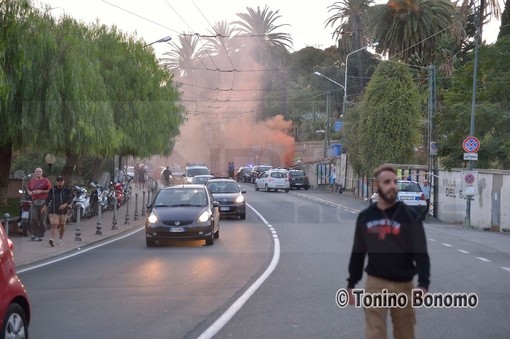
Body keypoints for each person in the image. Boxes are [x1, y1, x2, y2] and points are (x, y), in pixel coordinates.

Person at [347, 164, 430, 339]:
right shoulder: (366, 217)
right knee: (375, 333)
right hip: (375, 283)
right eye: (387, 182)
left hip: (403, 285)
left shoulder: (409, 216)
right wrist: (351, 284)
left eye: (394, 182)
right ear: (376, 186)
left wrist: (423, 284)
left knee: (405, 333)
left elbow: (421, 252)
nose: (392, 185)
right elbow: (358, 253)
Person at [41, 176, 73, 247]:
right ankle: (52, 239)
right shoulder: (52, 190)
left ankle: (61, 238)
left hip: (63, 212)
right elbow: (47, 199)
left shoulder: (67, 190)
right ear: (56, 182)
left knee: (62, 225)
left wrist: (65, 205)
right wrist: (45, 207)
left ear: (63, 182)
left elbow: (70, 199)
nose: (60, 182)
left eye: (61, 181)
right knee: (54, 224)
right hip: (54, 211)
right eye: (58, 181)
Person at [27, 167, 52, 241]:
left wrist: (40, 191)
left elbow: (49, 190)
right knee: (33, 218)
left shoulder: (45, 180)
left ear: (42, 173)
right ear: (35, 173)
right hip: (34, 201)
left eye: (39, 172)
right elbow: (29, 189)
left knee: (42, 219)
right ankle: (35, 234)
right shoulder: (32, 181)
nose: (38, 173)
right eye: (37, 171)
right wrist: (30, 193)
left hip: (43, 202)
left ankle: (41, 235)